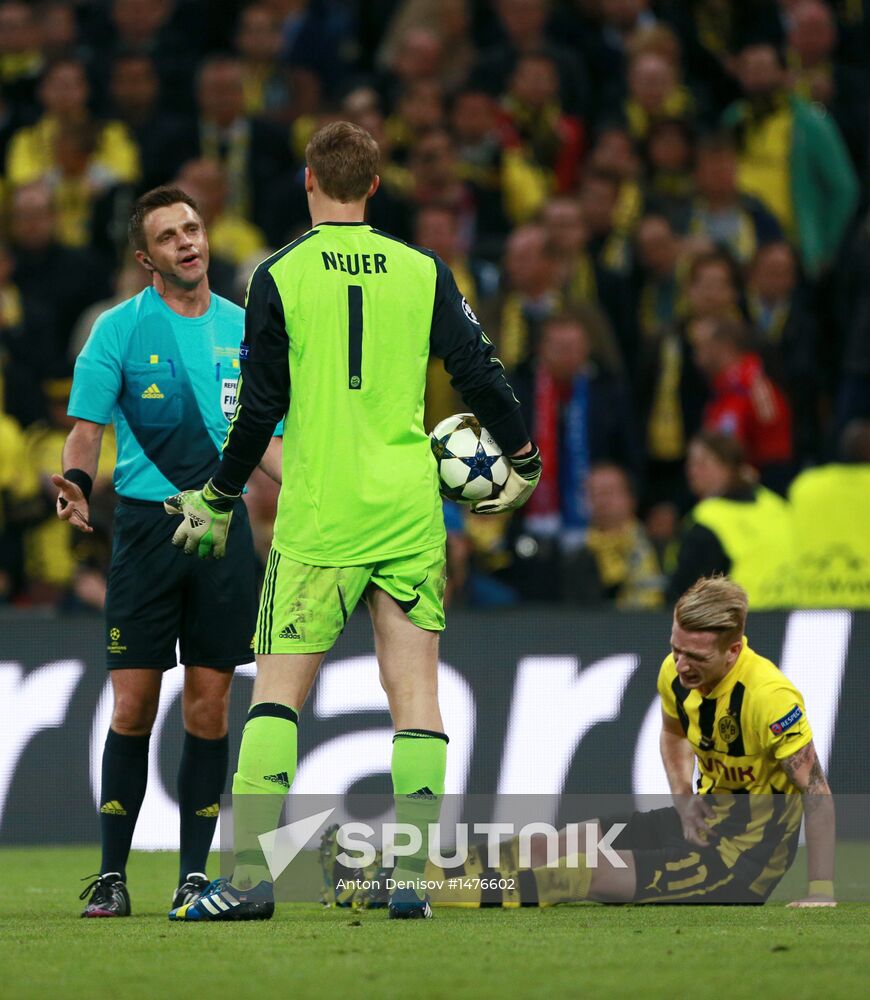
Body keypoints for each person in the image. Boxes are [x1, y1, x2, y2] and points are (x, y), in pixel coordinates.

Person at [164, 121, 540, 922]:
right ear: (376, 185)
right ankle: (409, 878)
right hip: (408, 509)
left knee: (277, 696)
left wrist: (222, 495)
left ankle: (256, 882)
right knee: (414, 693)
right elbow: (477, 369)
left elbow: (262, 405)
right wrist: (525, 454)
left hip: (320, 516)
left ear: (309, 182)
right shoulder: (422, 270)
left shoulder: (279, 273)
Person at [326, 576, 835, 908]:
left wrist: (821, 891)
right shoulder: (677, 676)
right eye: (676, 649)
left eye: (696, 656)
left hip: (740, 864)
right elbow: (673, 732)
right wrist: (683, 800)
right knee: (557, 842)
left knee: (578, 871)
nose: (681, 666)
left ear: (735, 649)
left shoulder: (769, 697)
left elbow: (816, 789)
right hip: (702, 827)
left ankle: (392, 891)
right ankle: (392, 869)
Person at [56, 186, 281, 918]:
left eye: (193, 227)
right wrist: (78, 485)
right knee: (132, 706)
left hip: (223, 530)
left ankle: (193, 877)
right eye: (169, 235)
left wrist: (313, 497)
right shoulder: (117, 332)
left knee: (210, 710)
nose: (188, 241)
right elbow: (86, 430)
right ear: (145, 256)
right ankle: (113, 876)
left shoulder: (245, 330)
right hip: (149, 534)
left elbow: (270, 441)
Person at [667, 431, 792, 608]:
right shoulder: (776, 504)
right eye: (690, 463)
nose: (692, 471)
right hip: (790, 615)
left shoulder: (708, 518)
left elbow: (687, 589)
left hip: (738, 622)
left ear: (729, 466)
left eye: (702, 463)